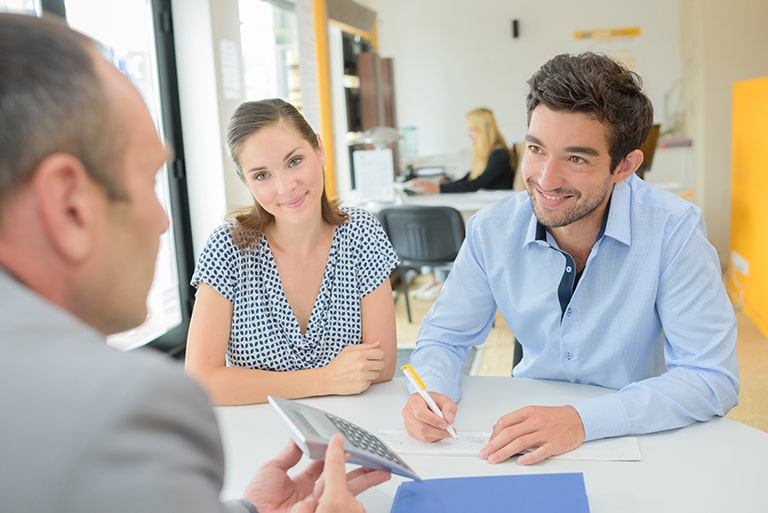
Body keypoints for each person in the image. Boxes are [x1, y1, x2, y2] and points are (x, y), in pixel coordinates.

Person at [0, 12, 388, 513]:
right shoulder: (125, 416)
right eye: (148, 180)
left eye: (294, 162)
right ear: (67, 204)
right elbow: (202, 377)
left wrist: (249, 509)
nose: (164, 221)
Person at [401, 52, 740, 466]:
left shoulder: (673, 230)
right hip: (527, 438)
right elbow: (445, 338)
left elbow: (712, 378)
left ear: (625, 166)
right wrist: (430, 391)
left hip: (639, 439)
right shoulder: (493, 230)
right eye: (536, 149)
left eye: (576, 158)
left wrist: (582, 421)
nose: (546, 179)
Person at [185, 98, 399, 406]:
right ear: (246, 182)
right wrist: (326, 379)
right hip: (257, 433)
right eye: (262, 175)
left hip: (350, 425)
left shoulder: (361, 232)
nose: (286, 186)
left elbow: (381, 366)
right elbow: (202, 382)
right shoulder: (227, 249)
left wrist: (254, 384)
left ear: (320, 149)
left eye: (294, 161)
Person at [409, 107, 515, 193]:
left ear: (483, 130)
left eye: (472, 130)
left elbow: (475, 184)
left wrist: (438, 189)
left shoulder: (500, 155)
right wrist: (442, 186)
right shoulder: (490, 154)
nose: (468, 134)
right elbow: (469, 178)